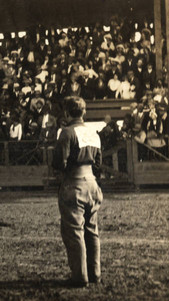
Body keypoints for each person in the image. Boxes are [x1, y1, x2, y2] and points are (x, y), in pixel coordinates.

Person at [52, 96, 103, 288]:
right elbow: (98, 164)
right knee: (92, 230)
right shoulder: (94, 133)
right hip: (92, 184)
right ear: (84, 112)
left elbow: (58, 163)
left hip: (74, 184)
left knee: (74, 232)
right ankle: (94, 273)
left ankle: (79, 276)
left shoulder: (66, 133)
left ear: (66, 113)